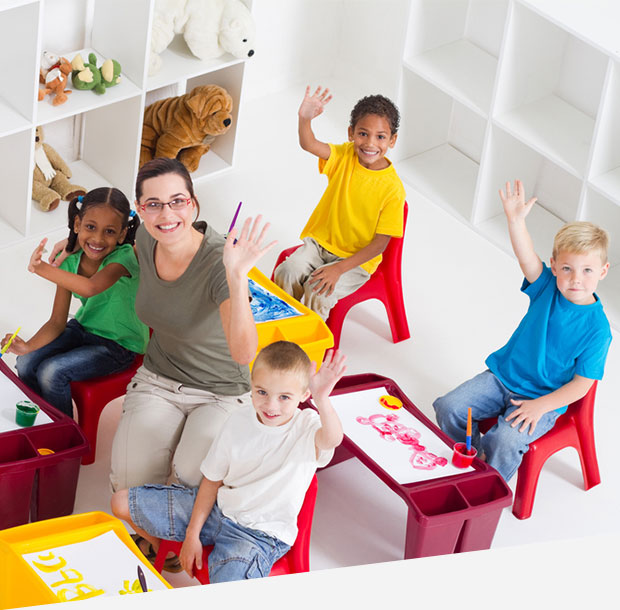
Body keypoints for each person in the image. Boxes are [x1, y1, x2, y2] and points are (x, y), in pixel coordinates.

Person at [107, 158, 276, 496]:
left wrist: (237, 277)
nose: (167, 215)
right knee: (129, 486)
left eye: (177, 201)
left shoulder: (220, 264)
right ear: (140, 209)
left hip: (221, 392)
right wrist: (70, 247)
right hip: (158, 380)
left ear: (193, 204)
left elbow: (244, 354)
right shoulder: (145, 237)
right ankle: (148, 541)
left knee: (191, 475)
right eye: (153, 204)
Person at [111, 342, 345, 582]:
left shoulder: (307, 425)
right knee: (121, 503)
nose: (271, 405)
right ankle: (171, 549)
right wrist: (191, 535)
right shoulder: (237, 420)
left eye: (284, 397)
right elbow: (212, 481)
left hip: (257, 535)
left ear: (304, 395)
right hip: (217, 512)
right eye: (262, 392)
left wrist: (322, 399)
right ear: (251, 386)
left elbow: (332, 439)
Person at [433, 179, 612, 482]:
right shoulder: (547, 288)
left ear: (603, 272)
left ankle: (487, 484)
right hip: (501, 378)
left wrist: (540, 406)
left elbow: (581, 386)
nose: (575, 279)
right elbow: (526, 256)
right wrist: (515, 221)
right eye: (567, 268)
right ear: (554, 266)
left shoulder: (598, 330)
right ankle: (473, 460)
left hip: (541, 398)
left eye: (587, 271)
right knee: (449, 406)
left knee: (506, 440)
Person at [1, 188, 147, 418]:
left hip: (119, 345)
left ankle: (63, 435)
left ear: (121, 235)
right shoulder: (70, 263)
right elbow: (58, 321)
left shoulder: (123, 258)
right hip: (83, 329)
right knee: (26, 362)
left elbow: (90, 288)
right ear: (77, 224)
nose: (98, 239)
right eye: (90, 227)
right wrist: (27, 346)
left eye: (109, 231)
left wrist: (42, 268)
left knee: (52, 372)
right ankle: (42, 421)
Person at [273, 85, 406, 320]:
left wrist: (339, 269)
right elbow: (309, 144)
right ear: (351, 133)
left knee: (319, 291)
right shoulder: (345, 156)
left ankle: (306, 349)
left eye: (381, 137)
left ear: (392, 140)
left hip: (354, 262)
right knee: (287, 271)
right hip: (319, 245)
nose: (370, 144)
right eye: (363, 133)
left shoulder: (393, 189)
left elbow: (380, 244)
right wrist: (304, 119)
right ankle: (281, 327)